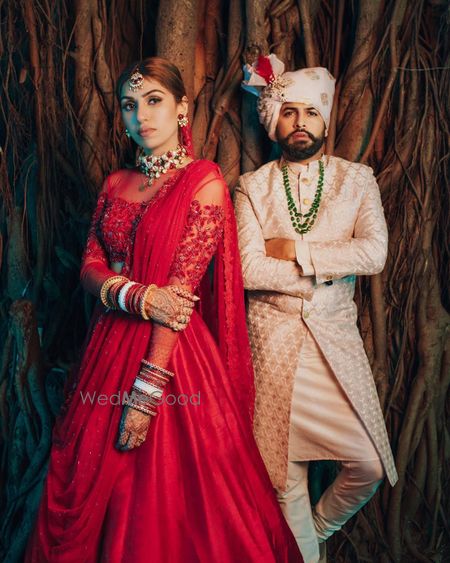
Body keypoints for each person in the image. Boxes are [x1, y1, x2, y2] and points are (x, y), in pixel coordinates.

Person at [25, 57, 303, 562]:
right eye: (130, 106)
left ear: (181, 109)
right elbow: (88, 266)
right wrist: (135, 295)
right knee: (89, 474)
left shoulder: (204, 180)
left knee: (169, 498)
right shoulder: (115, 184)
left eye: (154, 101)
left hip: (171, 361)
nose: (141, 116)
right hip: (106, 349)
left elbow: (180, 297)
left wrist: (146, 395)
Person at [234, 55, 398, 563]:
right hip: (274, 349)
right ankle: (305, 553)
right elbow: (245, 270)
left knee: (368, 465)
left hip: (335, 349)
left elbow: (373, 253)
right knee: (284, 481)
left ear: (326, 118)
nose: (299, 122)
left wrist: (298, 252)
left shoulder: (357, 180)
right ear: (274, 121)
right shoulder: (251, 187)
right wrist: (319, 277)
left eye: (310, 112)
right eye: (288, 112)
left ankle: (315, 535)